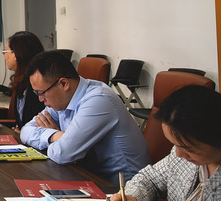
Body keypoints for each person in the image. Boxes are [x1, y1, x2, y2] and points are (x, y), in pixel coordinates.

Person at [20, 51, 150, 185]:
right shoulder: (60, 100)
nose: (40, 99)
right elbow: (25, 131)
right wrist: (56, 135)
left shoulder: (98, 100)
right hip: (87, 175)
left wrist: (60, 141)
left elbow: (62, 154)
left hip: (122, 188)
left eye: (42, 93)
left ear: (63, 84)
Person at [109, 85, 221, 201]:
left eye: (187, 148)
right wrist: (132, 197)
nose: (178, 154)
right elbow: (151, 179)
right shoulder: (184, 157)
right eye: (174, 145)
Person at [2, 31, 46, 131]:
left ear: (16, 54)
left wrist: (23, 132)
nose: (4, 57)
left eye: (5, 52)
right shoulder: (21, 80)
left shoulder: (38, 85)